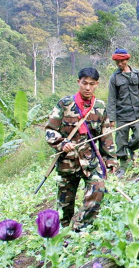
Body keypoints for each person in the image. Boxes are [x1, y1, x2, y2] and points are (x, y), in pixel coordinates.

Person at [46, 67, 118, 231]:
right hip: (67, 163)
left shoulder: (99, 107)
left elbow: (106, 135)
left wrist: (110, 159)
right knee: (65, 205)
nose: (87, 88)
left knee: (98, 188)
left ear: (97, 84)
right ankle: (63, 230)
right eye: (84, 83)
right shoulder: (64, 104)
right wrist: (61, 143)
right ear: (78, 82)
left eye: (92, 84)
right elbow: (50, 130)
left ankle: (79, 226)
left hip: (90, 161)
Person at [107, 48, 139, 177]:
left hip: (136, 113)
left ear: (127, 60)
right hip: (122, 115)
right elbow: (112, 99)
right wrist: (111, 118)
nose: (120, 64)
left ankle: (130, 148)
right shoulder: (114, 78)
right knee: (120, 141)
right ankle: (123, 165)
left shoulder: (137, 74)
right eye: (117, 62)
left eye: (122, 61)